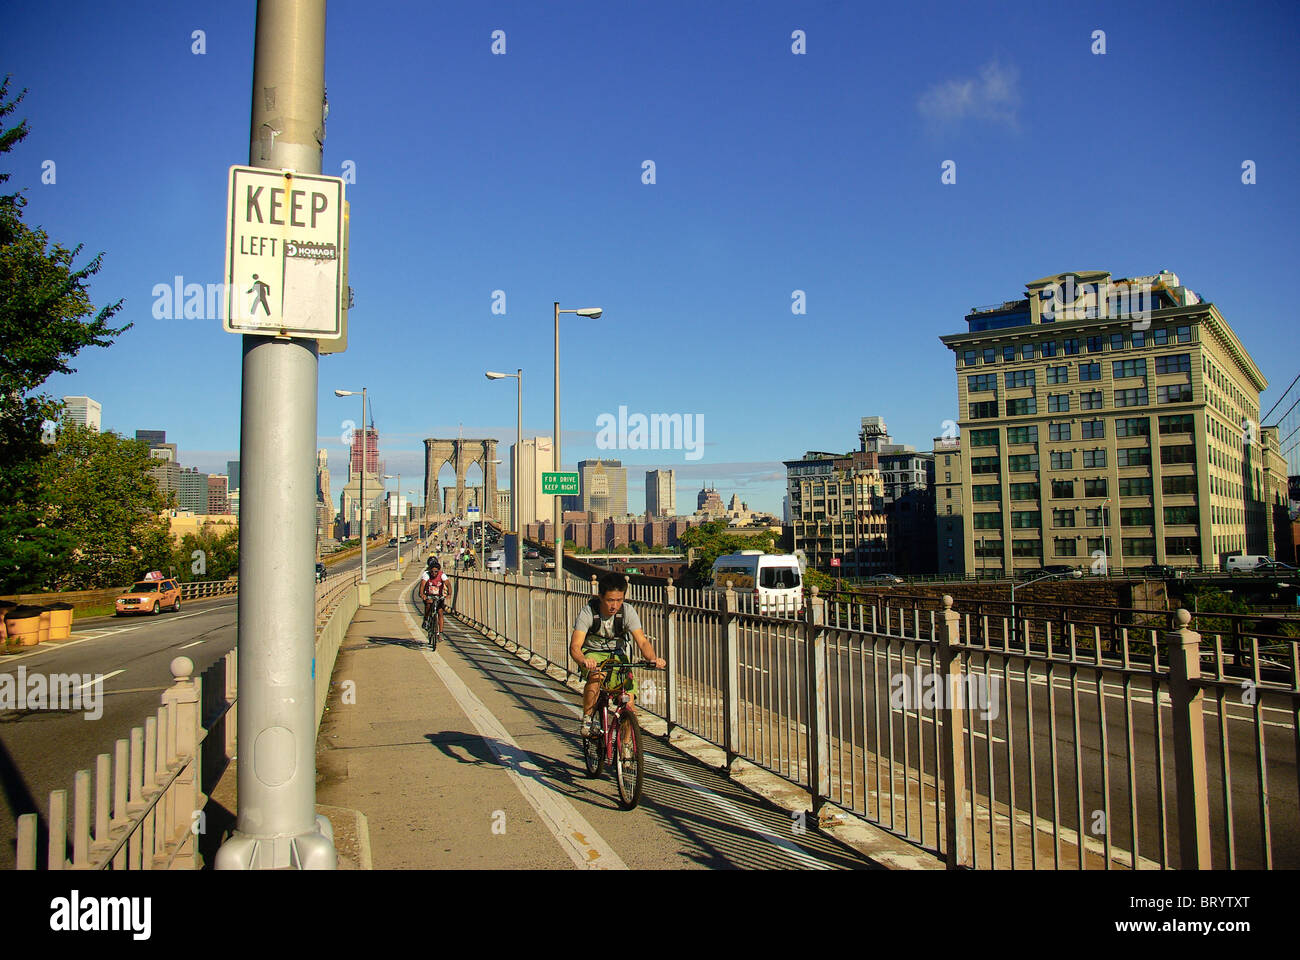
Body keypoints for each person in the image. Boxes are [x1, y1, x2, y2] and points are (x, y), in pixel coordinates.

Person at [570, 572, 664, 738]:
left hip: (618, 655)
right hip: (594, 653)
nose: (615, 605)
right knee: (597, 676)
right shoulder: (588, 612)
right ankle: (588, 719)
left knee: (629, 704)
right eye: (610, 600)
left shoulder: (627, 612)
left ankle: (626, 750)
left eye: (619, 600)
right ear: (600, 597)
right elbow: (575, 646)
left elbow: (642, 641)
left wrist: (653, 659)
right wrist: (584, 661)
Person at [419, 557, 448, 645]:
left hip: (438, 596)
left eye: (436, 571)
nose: (434, 573)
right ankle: (426, 619)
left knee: (440, 612)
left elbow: (448, 583)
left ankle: (441, 633)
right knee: (428, 605)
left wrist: (449, 594)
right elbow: (422, 585)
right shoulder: (426, 574)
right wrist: (422, 595)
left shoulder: (442, 575)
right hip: (429, 595)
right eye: (432, 570)